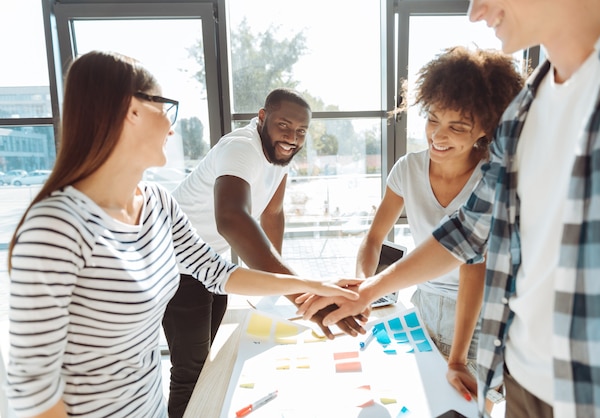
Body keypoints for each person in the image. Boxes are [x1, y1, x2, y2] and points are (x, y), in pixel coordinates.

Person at [298, 1, 600, 417]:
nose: (475, 11)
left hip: (599, 390)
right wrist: (368, 291)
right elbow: (469, 232)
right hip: (524, 376)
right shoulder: (523, 109)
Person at [4, 50, 359, 418]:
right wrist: (302, 289)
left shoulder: (157, 204)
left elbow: (220, 273)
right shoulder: (55, 227)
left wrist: (314, 289)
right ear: (132, 112)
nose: (172, 128)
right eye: (165, 108)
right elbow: (34, 390)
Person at [165, 87, 366, 417]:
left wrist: (275, 285)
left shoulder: (279, 157)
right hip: (177, 265)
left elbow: (271, 213)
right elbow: (231, 218)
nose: (292, 137)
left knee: (210, 365)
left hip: (210, 263)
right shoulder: (242, 147)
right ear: (262, 117)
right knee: (191, 373)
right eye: (284, 125)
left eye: (301, 131)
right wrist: (296, 291)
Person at [354, 45, 523, 397]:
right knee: (421, 400)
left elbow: (473, 265)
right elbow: (373, 240)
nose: (438, 135)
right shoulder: (408, 169)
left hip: (477, 320)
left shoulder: (492, 178)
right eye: (432, 119)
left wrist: (458, 357)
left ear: (485, 129)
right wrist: (363, 289)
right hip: (425, 307)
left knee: (475, 404)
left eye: (456, 127)